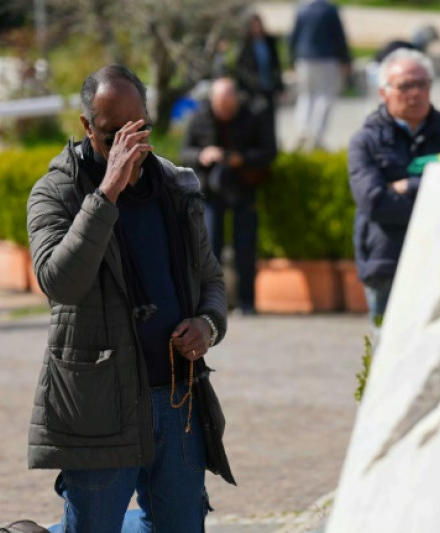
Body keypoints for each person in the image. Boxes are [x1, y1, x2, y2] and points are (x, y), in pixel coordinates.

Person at [26, 65, 232, 533]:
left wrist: (208, 325)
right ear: (85, 127)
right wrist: (107, 192)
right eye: (111, 134)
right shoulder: (55, 192)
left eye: (136, 129)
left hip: (177, 398)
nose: (127, 145)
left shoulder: (176, 188)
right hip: (99, 406)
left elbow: (212, 281)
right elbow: (59, 282)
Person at [348, 49, 440, 326]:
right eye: (405, 86)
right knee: (384, 356)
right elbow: (376, 203)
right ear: (384, 92)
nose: (415, 93)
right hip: (386, 263)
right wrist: (433, 193)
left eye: (422, 84)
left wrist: (409, 185)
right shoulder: (365, 141)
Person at [180, 78, 276, 315]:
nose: (224, 111)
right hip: (210, 191)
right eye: (220, 106)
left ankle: (247, 303)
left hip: (243, 187)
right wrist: (203, 155)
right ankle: (211, 305)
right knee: (211, 248)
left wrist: (241, 158)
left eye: (229, 106)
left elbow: (269, 152)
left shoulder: (252, 117)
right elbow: (184, 153)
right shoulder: (199, 118)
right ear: (212, 101)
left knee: (246, 247)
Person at [288, 0, 351, 151]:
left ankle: (302, 128)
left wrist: (291, 59)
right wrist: (345, 59)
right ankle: (317, 134)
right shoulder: (329, 10)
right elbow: (339, 37)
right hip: (326, 58)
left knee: (306, 95)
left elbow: (292, 37)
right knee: (324, 96)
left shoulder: (302, 9)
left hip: (304, 58)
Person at [235, 12, 284, 140]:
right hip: (252, 91)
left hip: (269, 88)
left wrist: (279, 85)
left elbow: (276, 65)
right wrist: (253, 83)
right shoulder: (245, 44)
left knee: (270, 120)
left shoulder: (269, 42)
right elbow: (241, 69)